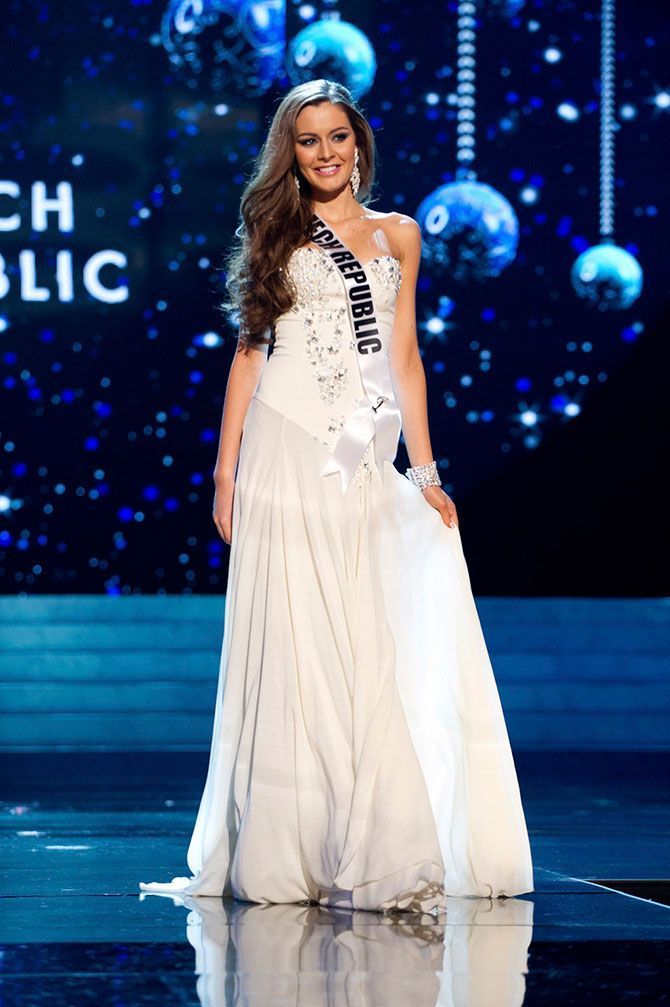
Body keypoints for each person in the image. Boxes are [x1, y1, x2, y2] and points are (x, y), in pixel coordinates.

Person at [139, 78, 534, 915]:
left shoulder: (399, 236)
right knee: (296, 642)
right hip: (284, 455)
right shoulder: (275, 229)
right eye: (308, 140)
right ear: (292, 151)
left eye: (337, 136)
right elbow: (251, 353)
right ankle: (295, 846)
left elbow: (405, 361)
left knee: (362, 642)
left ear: (360, 143)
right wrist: (225, 470)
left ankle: (370, 839)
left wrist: (424, 475)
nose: (325, 153)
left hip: (362, 458)